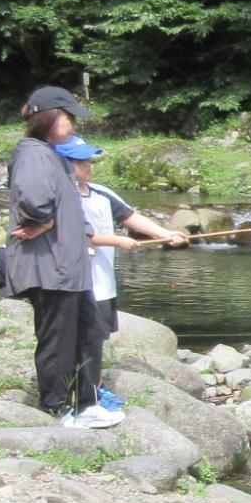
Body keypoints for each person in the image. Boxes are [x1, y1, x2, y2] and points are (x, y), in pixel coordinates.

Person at [5, 85, 121, 430]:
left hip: (70, 267)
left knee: (89, 332)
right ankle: (55, 407)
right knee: (57, 339)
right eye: (68, 117)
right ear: (49, 118)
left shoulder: (52, 154)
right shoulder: (32, 153)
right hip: (49, 266)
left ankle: (86, 403)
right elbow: (33, 202)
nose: (73, 123)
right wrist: (44, 222)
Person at [54, 136, 187, 408]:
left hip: (103, 282)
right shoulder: (59, 196)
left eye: (88, 160)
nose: (88, 165)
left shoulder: (101, 192)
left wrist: (165, 234)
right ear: (62, 164)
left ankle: (93, 388)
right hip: (73, 282)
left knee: (97, 338)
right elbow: (77, 234)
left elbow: (130, 216)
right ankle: (76, 394)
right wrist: (117, 241)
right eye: (80, 161)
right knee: (78, 338)